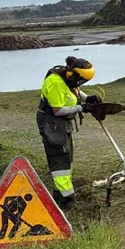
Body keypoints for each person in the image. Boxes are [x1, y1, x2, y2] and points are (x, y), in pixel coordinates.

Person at [36, 56, 99, 209]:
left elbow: (72, 90)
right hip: (52, 122)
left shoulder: (68, 78)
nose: (80, 83)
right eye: (80, 80)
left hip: (63, 123)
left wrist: (87, 98)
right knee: (60, 160)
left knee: (67, 158)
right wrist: (82, 108)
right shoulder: (55, 82)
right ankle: (66, 201)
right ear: (73, 74)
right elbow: (58, 110)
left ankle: (58, 195)